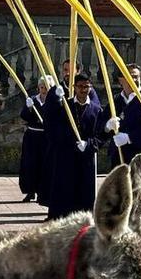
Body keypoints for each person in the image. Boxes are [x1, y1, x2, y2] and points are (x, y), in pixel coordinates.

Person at [43, 73, 102, 220]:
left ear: (91, 87)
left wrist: (89, 145)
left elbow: (100, 136)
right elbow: (50, 123)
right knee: (63, 191)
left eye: (86, 86)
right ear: (74, 88)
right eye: (80, 86)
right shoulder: (64, 106)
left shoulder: (96, 110)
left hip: (86, 158)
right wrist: (54, 99)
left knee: (85, 193)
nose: (83, 90)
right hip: (66, 156)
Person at [98, 64, 141, 167]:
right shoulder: (115, 101)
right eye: (129, 76)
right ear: (120, 80)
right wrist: (107, 126)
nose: (133, 80)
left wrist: (130, 138)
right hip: (118, 157)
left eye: (136, 77)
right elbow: (100, 128)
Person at [18, 75, 52, 203]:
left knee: (45, 164)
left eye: (46, 88)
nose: (43, 90)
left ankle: (43, 192)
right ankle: (30, 191)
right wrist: (29, 108)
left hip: (46, 137)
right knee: (30, 164)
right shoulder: (33, 100)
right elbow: (25, 116)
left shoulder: (53, 101)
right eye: (41, 87)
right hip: (32, 136)